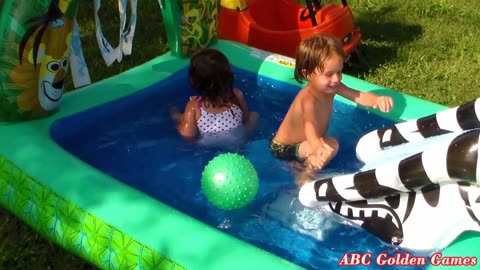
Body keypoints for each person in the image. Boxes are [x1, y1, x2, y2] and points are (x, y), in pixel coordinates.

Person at [269, 34, 393, 183]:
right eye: (329, 74)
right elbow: (310, 124)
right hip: (283, 148)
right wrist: (316, 146)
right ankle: (305, 176)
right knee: (331, 144)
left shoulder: (333, 86)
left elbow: (356, 95)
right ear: (308, 74)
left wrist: (377, 100)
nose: (336, 79)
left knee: (331, 140)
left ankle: (304, 163)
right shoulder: (308, 98)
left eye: (339, 72)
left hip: (305, 143)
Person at [171, 48, 258, 139]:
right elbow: (245, 118)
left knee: (182, 119)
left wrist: (181, 125)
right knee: (254, 115)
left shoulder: (194, 106)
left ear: (195, 81)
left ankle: (176, 114)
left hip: (207, 144)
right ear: (228, 77)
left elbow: (188, 135)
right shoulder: (236, 94)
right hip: (236, 140)